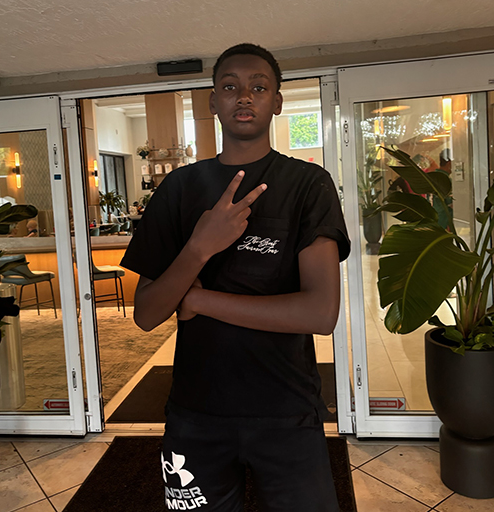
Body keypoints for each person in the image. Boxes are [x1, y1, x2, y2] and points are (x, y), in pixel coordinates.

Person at [120, 43, 350, 512]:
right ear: (213, 103)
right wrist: (201, 245)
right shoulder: (179, 189)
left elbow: (320, 312)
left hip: (287, 413)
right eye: (230, 87)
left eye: (258, 87)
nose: (244, 97)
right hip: (195, 416)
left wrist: (201, 301)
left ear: (277, 102)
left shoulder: (308, 185)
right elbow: (146, 313)